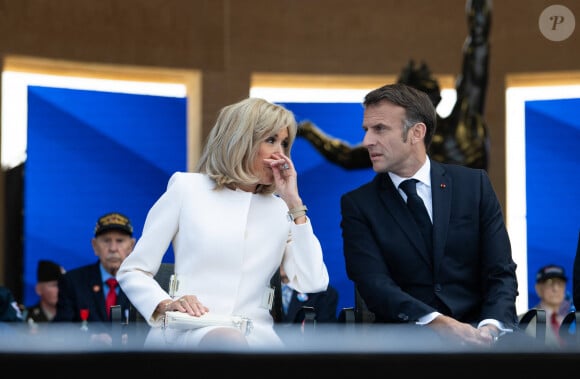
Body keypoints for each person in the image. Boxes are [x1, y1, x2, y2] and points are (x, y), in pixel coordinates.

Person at [117, 97, 330, 350]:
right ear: (240, 140)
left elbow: (313, 282)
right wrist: (164, 305)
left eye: (285, 143)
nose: (280, 154)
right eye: (271, 140)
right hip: (188, 330)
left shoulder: (280, 209)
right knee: (228, 342)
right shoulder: (187, 189)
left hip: (257, 338)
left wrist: (295, 203)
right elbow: (133, 270)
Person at [340, 82, 518, 348]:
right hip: (405, 347)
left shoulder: (475, 185)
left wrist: (490, 328)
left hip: (482, 341)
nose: (367, 141)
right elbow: (373, 284)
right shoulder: (358, 204)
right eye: (366, 130)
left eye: (379, 129)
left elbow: (500, 272)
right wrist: (438, 323)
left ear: (416, 132)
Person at [296, 0, 491, 171]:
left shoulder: (461, 123)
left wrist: (309, 132)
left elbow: (478, 43)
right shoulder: (399, 142)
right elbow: (348, 157)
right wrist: (309, 132)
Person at [53, 212, 137, 343]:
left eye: (120, 241)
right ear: (95, 246)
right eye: (106, 241)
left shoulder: (144, 284)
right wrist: (90, 339)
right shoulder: (73, 281)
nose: (113, 248)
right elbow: (59, 330)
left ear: (131, 246)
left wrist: (135, 339)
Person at [528, 264, 572, 347]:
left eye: (560, 283)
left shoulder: (573, 320)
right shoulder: (526, 321)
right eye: (549, 283)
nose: (556, 288)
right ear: (538, 288)